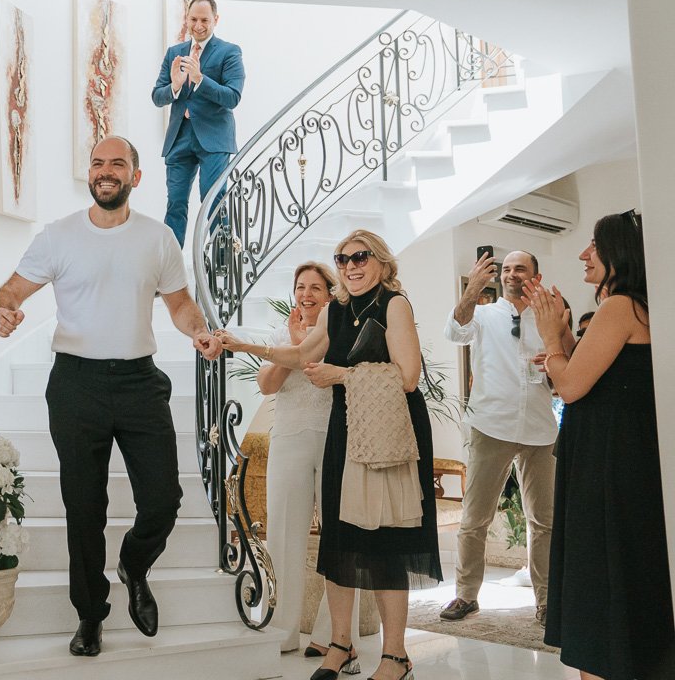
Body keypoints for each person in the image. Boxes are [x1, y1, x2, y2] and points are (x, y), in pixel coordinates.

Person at [0, 135, 222, 657]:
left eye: (117, 163)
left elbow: (180, 304)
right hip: (76, 385)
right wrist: (3, 309)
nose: (106, 170)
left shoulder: (158, 238)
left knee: (164, 499)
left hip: (140, 382)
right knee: (84, 507)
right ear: (90, 175)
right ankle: (90, 615)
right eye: (98, 163)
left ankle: (134, 564)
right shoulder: (58, 237)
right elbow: (10, 290)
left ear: (135, 176)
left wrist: (198, 331)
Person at [255, 229, 441, 680]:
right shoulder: (337, 310)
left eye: (360, 257)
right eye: (342, 259)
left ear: (380, 260)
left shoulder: (395, 304)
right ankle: (341, 647)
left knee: (385, 541)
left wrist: (342, 374)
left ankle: (396, 657)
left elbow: (410, 377)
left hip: (387, 435)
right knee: (340, 539)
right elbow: (301, 354)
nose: (350, 266)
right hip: (344, 431)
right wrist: (244, 346)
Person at [528, 210, 674, 680]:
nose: (583, 253)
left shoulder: (620, 306)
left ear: (619, 253)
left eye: (594, 244)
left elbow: (570, 387)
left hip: (608, 464)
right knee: (622, 568)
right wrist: (565, 339)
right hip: (619, 456)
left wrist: (551, 341)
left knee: (600, 569)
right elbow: (597, 376)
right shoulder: (638, 306)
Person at [215, 262, 366, 656]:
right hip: (290, 437)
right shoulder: (283, 332)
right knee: (282, 533)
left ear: (331, 295)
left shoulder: (341, 330)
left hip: (337, 438)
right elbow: (266, 385)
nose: (307, 294)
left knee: (338, 533)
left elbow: (319, 366)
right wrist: (293, 344)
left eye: (317, 287)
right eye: (301, 287)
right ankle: (280, 629)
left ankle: (334, 636)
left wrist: (301, 347)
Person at [439, 251, 563, 625]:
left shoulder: (549, 318)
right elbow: (454, 330)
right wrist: (473, 289)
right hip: (491, 425)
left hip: (540, 429)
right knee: (475, 518)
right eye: (506, 269)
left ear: (535, 277)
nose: (511, 274)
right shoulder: (483, 314)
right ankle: (465, 596)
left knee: (544, 520)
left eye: (519, 268)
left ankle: (546, 602)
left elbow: (562, 364)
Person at [151, 0, 245, 247]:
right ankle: (170, 271)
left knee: (212, 198)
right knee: (175, 203)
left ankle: (221, 262)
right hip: (179, 137)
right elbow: (157, 96)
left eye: (204, 20)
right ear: (187, 18)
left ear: (216, 20)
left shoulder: (230, 51)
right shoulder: (174, 53)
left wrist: (200, 79)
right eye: (194, 19)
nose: (198, 25)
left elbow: (233, 97)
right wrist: (175, 85)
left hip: (214, 139)